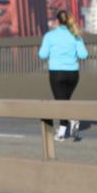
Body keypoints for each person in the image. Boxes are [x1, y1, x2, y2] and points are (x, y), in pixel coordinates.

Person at [38, 10, 89, 141]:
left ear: (56, 21)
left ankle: (63, 130)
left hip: (57, 73)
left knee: (60, 103)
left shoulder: (50, 36)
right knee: (64, 101)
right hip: (73, 75)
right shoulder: (76, 36)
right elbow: (84, 55)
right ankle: (65, 126)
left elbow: (42, 55)